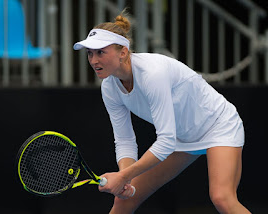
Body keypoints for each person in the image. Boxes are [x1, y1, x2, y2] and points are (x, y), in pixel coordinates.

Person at [73, 11, 250, 214]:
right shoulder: (109, 87)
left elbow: (165, 141)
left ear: (123, 52)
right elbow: (125, 140)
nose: (94, 60)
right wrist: (126, 179)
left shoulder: (152, 74)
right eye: (90, 53)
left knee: (222, 198)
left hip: (218, 125)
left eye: (100, 52)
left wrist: (123, 176)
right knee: (122, 202)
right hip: (180, 137)